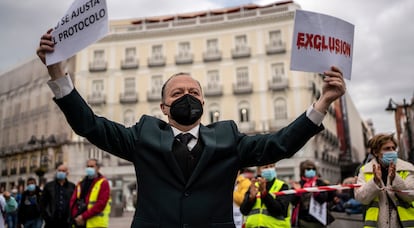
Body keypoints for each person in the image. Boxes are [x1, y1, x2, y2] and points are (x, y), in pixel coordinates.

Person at [37, 29, 346, 227]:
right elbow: (90, 125)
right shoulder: (143, 135)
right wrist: (59, 75)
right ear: (163, 108)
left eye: (194, 93)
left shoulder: (228, 137)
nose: (187, 97)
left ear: (203, 102)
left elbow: (279, 144)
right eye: (177, 94)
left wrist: (323, 103)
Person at [354, 133, 414, 227]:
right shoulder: (365, 170)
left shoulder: (407, 168)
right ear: (376, 152)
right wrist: (375, 181)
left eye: (393, 148)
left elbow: (411, 195)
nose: (392, 151)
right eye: (387, 148)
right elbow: (361, 198)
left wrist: (395, 179)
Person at [291, 160, 335, 227]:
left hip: (319, 219)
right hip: (303, 219)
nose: (311, 170)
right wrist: (298, 193)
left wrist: (317, 193)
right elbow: (293, 202)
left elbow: (324, 199)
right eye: (308, 169)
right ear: (303, 171)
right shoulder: (299, 184)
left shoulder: (320, 183)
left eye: (313, 169)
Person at [69, 159, 111, 228]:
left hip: (95, 223)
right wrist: (76, 217)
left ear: (98, 168)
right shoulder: (81, 182)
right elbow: (73, 201)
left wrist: (83, 217)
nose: (89, 168)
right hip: (79, 223)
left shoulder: (103, 183)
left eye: (92, 166)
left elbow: (101, 204)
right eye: (87, 166)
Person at [40, 163, 76, 228]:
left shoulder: (72, 187)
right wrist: (47, 218)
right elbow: (42, 204)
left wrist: (71, 218)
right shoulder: (49, 186)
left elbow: (74, 203)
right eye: (59, 170)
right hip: (51, 223)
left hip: (66, 223)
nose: (61, 172)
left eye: (63, 171)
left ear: (67, 173)